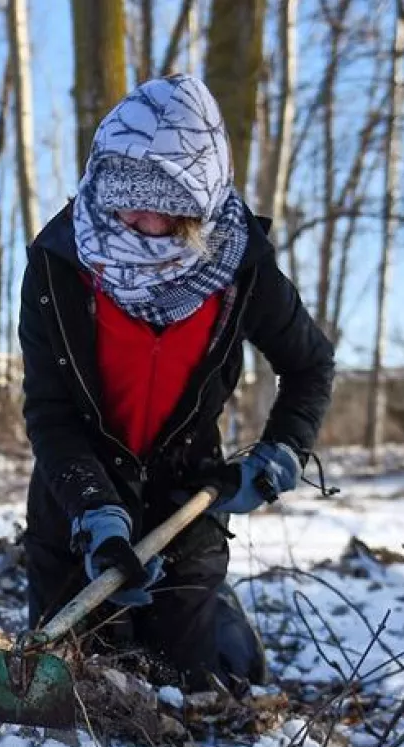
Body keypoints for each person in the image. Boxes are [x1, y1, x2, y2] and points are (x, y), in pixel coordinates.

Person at [18, 75, 334, 692]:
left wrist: (284, 449)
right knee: (75, 686)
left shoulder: (240, 267)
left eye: (162, 205)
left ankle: (221, 626)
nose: (137, 221)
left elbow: (310, 364)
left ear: (199, 206)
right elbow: (50, 412)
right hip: (77, 496)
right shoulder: (57, 263)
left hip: (187, 499)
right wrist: (95, 510)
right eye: (124, 198)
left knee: (183, 687)